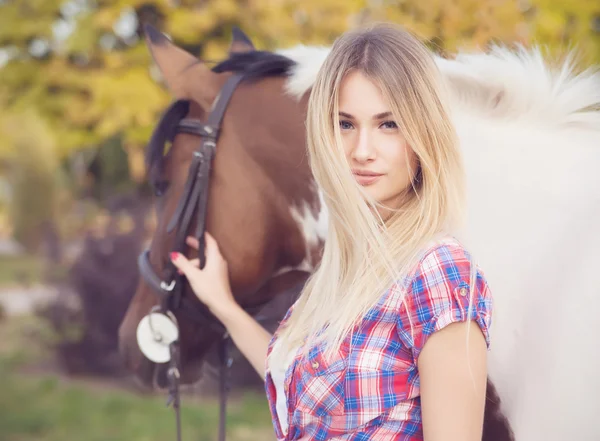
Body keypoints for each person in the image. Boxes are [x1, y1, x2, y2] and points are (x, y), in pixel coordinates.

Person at [170, 22, 493, 441]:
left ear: (424, 133)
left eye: (388, 124)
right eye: (345, 124)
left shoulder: (438, 273)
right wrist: (224, 305)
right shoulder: (343, 270)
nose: (361, 150)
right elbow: (294, 380)